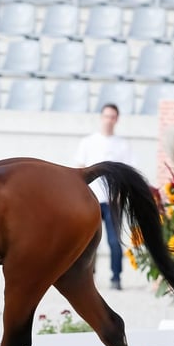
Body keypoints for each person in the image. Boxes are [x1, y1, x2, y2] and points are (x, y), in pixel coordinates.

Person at [74, 102, 135, 290]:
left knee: (114, 241)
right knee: (87, 241)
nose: (109, 120)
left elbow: (128, 173)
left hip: (112, 200)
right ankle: (87, 275)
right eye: (106, 116)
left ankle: (116, 277)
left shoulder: (123, 145)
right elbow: (79, 168)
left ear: (116, 119)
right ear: (101, 118)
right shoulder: (88, 142)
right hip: (91, 199)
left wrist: (119, 194)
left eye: (112, 117)